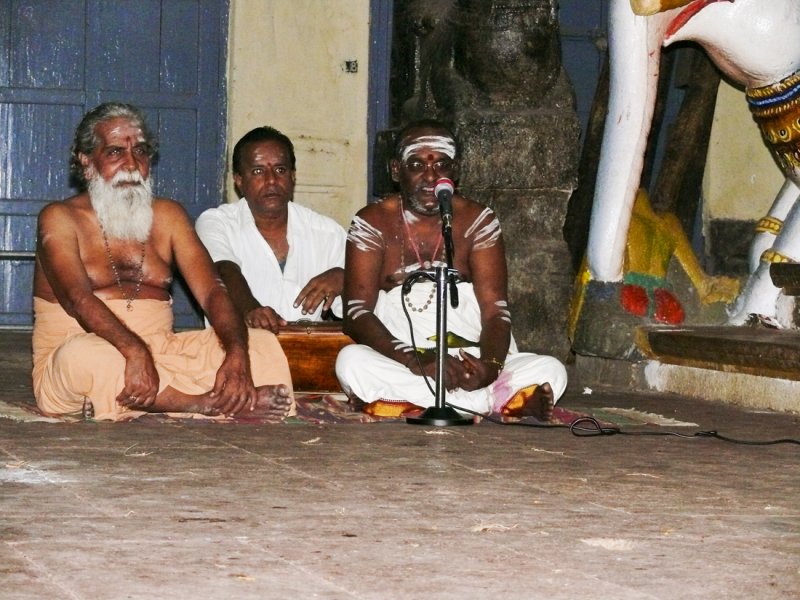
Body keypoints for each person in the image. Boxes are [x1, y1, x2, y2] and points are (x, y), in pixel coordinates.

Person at [32, 102, 294, 421]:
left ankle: (137, 399)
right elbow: (78, 298)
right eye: (115, 152)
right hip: (80, 350)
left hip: (162, 353)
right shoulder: (59, 218)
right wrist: (134, 350)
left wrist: (237, 354)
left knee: (261, 344)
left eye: (140, 152)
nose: (131, 164)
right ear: (87, 162)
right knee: (86, 357)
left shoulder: (168, 216)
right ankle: (200, 403)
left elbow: (212, 291)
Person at [335, 119, 568, 420]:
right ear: (396, 170)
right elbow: (356, 314)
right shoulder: (372, 222)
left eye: (442, 165)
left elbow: (496, 310)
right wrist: (418, 359)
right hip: (408, 359)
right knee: (351, 362)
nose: (431, 177)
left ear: (455, 171)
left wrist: (490, 366)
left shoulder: (478, 220)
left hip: (471, 358)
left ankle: (407, 402)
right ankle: (495, 403)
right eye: (417, 164)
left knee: (551, 369)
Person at [195, 126, 347, 333]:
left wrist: (346, 278)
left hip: (309, 353)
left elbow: (360, 304)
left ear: (293, 176)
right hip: (239, 349)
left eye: (280, 170)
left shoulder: (328, 233)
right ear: (239, 180)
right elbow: (223, 271)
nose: (272, 180)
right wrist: (251, 309)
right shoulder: (216, 222)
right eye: (258, 171)